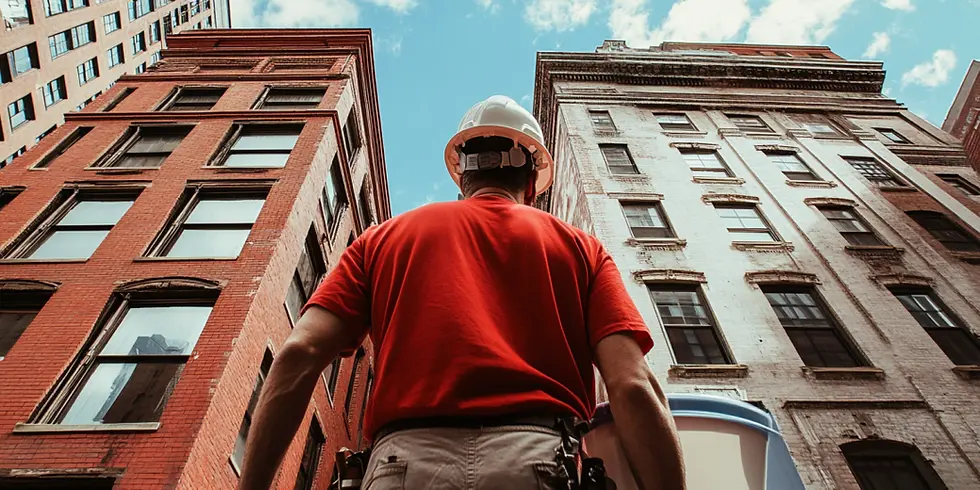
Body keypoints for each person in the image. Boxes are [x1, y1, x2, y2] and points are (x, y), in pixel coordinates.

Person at [237, 95, 685, 490]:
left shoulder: (380, 240)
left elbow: (298, 354)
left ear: (461, 175)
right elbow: (633, 386)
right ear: (532, 181)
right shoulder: (580, 248)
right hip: (542, 463)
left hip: (402, 467)